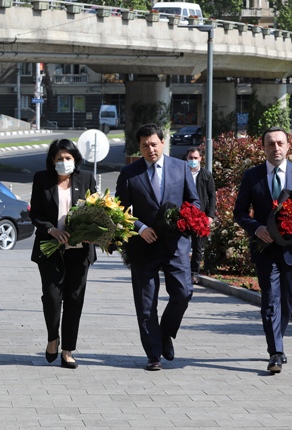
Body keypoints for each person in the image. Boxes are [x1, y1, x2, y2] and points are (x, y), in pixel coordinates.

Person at [233, 127, 292, 374]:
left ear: (288, 146)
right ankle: (276, 353)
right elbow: (239, 212)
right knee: (270, 300)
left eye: (280, 143)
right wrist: (256, 227)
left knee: (286, 302)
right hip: (265, 248)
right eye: (271, 144)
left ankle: (277, 342)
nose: (276, 148)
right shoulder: (252, 176)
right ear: (264, 148)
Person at [115, 123, 200, 371]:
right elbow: (120, 210)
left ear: (163, 143)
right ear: (139, 147)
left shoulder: (181, 168)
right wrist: (141, 228)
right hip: (144, 247)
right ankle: (153, 354)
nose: (150, 149)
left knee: (183, 293)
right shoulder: (129, 173)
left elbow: (193, 201)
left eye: (154, 144)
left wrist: (182, 219)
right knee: (145, 304)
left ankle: (165, 334)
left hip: (175, 244)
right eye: (144, 145)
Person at [29, 139, 97, 369]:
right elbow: (35, 213)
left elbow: (97, 211)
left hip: (79, 251)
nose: (64, 162)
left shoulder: (86, 179)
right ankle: (52, 338)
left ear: (75, 159)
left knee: (75, 299)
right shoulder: (42, 179)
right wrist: (51, 229)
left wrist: (91, 232)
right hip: (50, 249)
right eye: (60, 158)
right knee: (52, 297)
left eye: (68, 158)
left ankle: (67, 350)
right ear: (52, 160)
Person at [185, 148, 216, 284]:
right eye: (191, 157)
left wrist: (210, 215)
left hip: (201, 216)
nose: (193, 160)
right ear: (187, 158)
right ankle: (182, 271)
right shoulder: (182, 173)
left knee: (198, 246)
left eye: (195, 158)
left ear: (200, 159)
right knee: (183, 245)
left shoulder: (206, 175)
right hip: (185, 214)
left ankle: (194, 273)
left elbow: (212, 196)